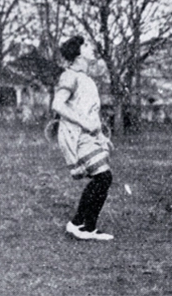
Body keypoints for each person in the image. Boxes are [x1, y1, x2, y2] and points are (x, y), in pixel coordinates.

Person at [51, 36, 114, 241]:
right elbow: (57, 105)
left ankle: (79, 223)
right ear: (78, 53)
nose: (91, 48)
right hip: (76, 135)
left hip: (88, 135)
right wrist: (85, 124)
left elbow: (90, 112)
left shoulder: (86, 79)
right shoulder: (70, 76)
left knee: (102, 178)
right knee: (103, 177)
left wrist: (101, 135)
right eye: (86, 45)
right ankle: (85, 227)